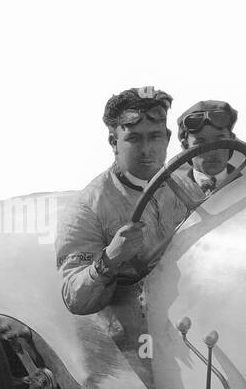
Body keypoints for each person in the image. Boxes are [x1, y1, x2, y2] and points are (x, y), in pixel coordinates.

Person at [55, 86, 202, 315]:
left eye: (155, 136)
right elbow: (74, 298)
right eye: (134, 139)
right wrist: (109, 260)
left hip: (200, 310)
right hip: (135, 334)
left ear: (168, 137)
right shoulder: (87, 208)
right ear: (114, 142)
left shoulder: (190, 188)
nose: (147, 150)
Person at [176, 99, 246, 195]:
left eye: (220, 142)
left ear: (232, 141)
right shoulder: (172, 193)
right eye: (200, 142)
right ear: (186, 146)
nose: (212, 152)